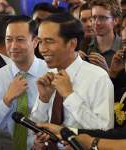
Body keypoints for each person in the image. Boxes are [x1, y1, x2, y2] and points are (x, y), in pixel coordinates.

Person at [31, 12, 114, 148]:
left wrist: (69, 96)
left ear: (72, 43)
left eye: (49, 41)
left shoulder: (98, 78)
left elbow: (105, 131)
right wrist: (43, 99)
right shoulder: (49, 74)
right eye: (40, 41)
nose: (42, 49)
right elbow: (37, 126)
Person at [0, 16, 48, 150]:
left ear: (35, 41)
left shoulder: (50, 73)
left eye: (20, 40)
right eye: (9, 40)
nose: (13, 46)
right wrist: (6, 101)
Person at [85, 0, 122, 71]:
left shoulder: (123, 47)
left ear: (115, 20)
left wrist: (108, 72)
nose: (97, 22)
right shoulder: (84, 45)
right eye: (94, 17)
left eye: (102, 18)